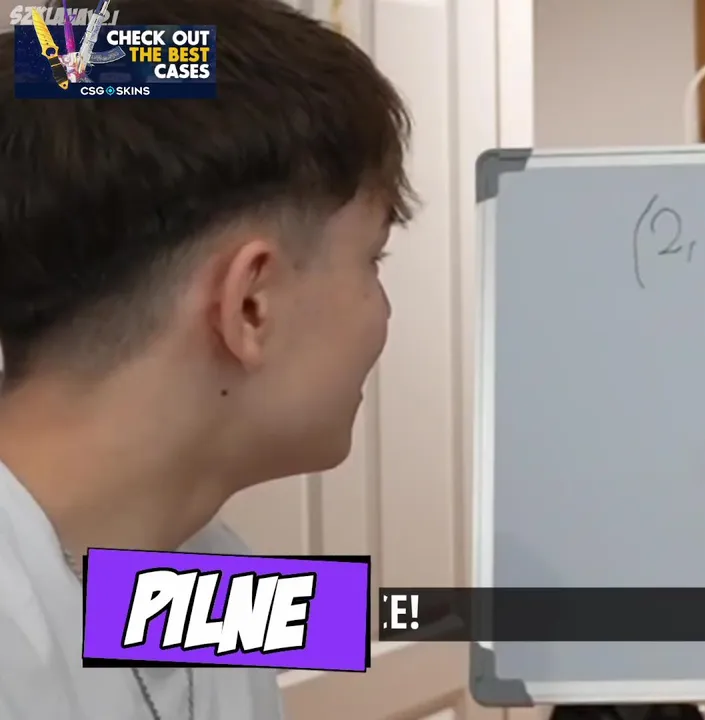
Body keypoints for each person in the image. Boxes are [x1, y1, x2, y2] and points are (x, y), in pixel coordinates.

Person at [0, 0, 413, 717]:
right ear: (250, 303)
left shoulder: (196, 572)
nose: (384, 313)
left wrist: (596, 617)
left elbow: (392, 625)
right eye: (372, 260)